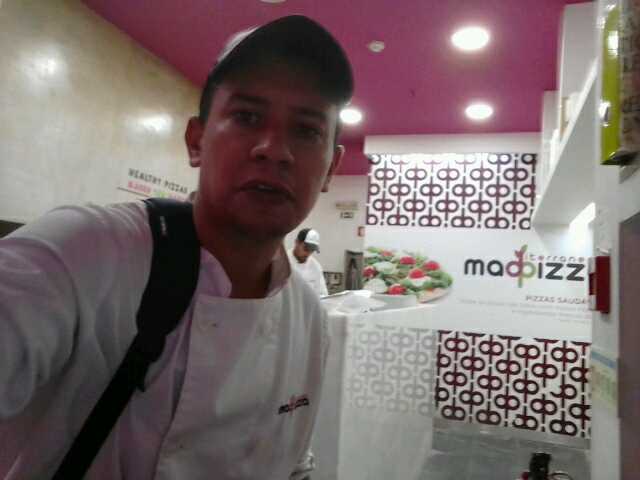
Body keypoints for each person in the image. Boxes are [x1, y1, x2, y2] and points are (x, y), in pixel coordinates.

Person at [0, 15, 352, 480]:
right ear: (196, 140)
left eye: (306, 130)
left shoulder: (308, 319)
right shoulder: (85, 253)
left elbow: (293, 465)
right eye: (247, 117)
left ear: (331, 169)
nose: (274, 149)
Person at [288, 228, 329, 296]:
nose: (308, 253)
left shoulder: (315, 267)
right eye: (306, 248)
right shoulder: (283, 262)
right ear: (296, 242)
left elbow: (322, 294)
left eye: (312, 250)